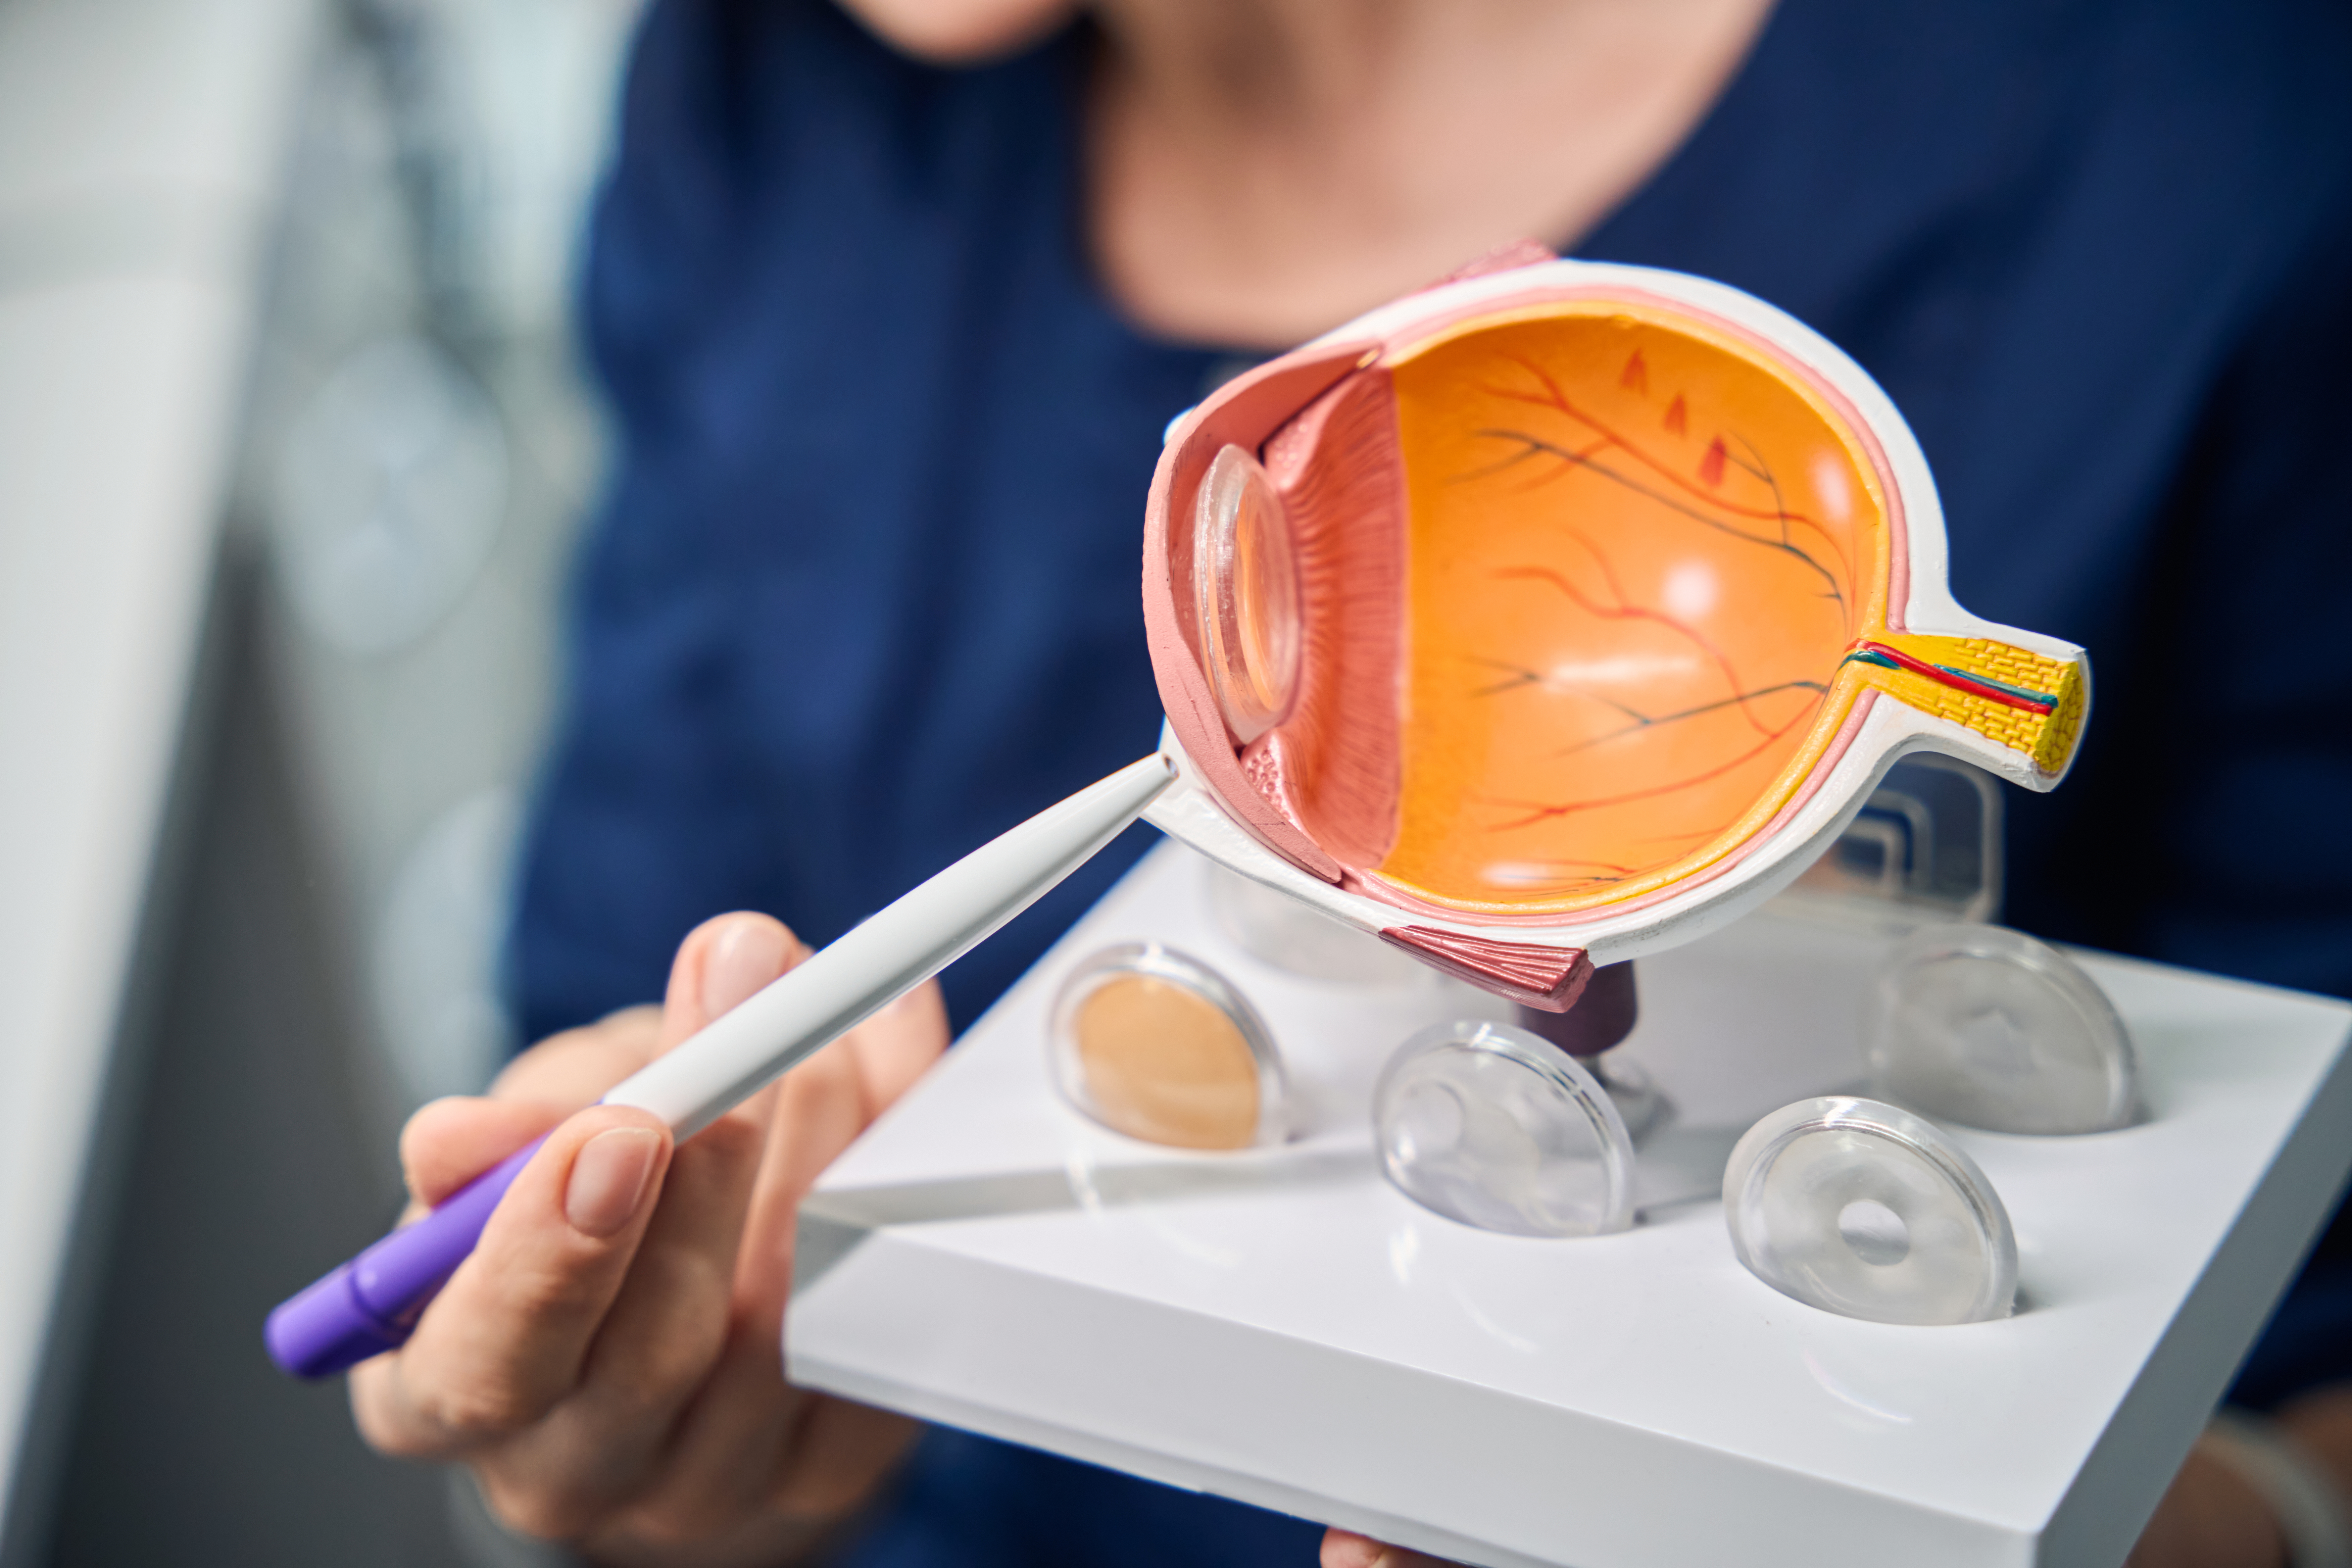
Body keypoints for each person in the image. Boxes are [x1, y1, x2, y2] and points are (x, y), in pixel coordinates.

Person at [349, 0, 2352, 1563]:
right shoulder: (758, 108)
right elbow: (629, 1035)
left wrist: (2152, 1537)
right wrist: (703, 1450)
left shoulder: (2204, 153)